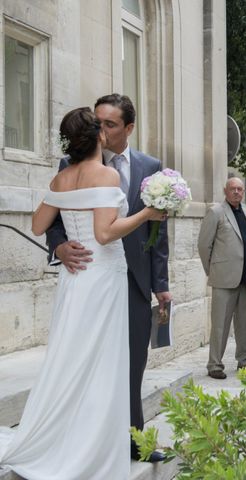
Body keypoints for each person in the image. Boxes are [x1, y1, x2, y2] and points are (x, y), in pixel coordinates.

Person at [0, 108, 166, 479]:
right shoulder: (105, 173)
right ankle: (91, 445)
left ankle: (66, 435)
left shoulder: (62, 178)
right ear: (99, 137)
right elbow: (105, 234)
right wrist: (146, 215)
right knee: (101, 363)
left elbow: (38, 223)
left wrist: (65, 240)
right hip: (103, 279)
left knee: (70, 356)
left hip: (74, 281)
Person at [46, 94, 171, 462]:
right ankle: (81, 442)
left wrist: (161, 285)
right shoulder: (71, 163)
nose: (100, 130)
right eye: (97, 122)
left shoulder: (151, 165)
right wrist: (59, 248)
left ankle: (134, 442)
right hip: (89, 276)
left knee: (131, 365)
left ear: (129, 128)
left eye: (110, 124)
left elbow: (159, 234)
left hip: (133, 282)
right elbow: (53, 221)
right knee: (85, 361)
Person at [198, 177, 246, 379]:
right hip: (224, 278)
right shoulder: (215, 212)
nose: (237, 192)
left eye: (240, 189)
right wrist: (213, 270)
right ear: (225, 190)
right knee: (220, 324)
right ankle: (215, 364)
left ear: (244, 191)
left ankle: (245, 361)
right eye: (233, 189)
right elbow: (204, 246)